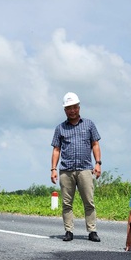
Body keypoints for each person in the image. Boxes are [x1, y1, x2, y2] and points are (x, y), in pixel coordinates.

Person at [50, 92, 102, 242]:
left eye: (74, 107)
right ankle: (68, 231)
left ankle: (92, 231)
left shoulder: (89, 124)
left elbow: (95, 144)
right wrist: (53, 169)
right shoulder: (60, 128)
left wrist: (98, 163)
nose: (72, 110)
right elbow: (56, 149)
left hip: (85, 168)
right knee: (67, 203)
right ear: (65, 110)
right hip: (66, 170)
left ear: (79, 107)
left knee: (89, 201)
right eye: (68, 108)